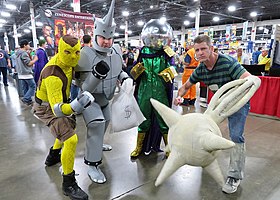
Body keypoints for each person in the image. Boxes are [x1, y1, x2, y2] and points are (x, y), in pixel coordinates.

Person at [174, 35, 252, 194]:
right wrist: (179, 95)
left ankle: (234, 176)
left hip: (238, 104)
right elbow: (186, 85)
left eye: (203, 48)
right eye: (197, 50)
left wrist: (236, 98)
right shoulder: (201, 69)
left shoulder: (228, 63)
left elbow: (249, 80)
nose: (200, 53)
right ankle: (206, 158)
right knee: (204, 131)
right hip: (217, 105)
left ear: (211, 48)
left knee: (236, 136)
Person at [75, 0, 131, 184]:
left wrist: (124, 77)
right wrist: (96, 75)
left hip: (106, 98)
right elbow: (83, 87)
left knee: (105, 121)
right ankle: (92, 163)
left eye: (109, 38)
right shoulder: (85, 54)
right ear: (96, 35)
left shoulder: (115, 51)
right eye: (103, 37)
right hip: (90, 100)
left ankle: (96, 145)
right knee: (97, 124)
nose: (106, 41)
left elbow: (118, 70)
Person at [33, 35, 91, 200]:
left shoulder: (70, 63)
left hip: (59, 103)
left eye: (77, 52)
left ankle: (53, 156)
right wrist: (76, 105)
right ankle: (68, 184)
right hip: (46, 108)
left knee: (67, 128)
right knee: (71, 139)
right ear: (59, 50)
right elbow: (57, 110)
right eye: (68, 52)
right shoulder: (52, 74)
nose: (73, 57)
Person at [130, 19, 175, 158]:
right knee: (143, 120)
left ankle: (168, 148)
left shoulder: (167, 52)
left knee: (164, 120)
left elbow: (174, 68)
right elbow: (133, 71)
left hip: (160, 91)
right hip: (144, 90)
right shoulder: (142, 51)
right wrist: (136, 71)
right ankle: (139, 147)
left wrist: (170, 73)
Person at [15, 40, 38, 105]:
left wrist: (29, 52)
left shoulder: (17, 52)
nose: (29, 46)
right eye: (28, 45)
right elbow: (29, 63)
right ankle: (26, 98)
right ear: (25, 45)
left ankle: (28, 100)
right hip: (26, 73)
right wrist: (35, 59)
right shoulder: (23, 53)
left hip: (20, 73)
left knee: (25, 87)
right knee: (33, 86)